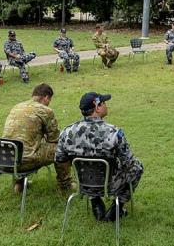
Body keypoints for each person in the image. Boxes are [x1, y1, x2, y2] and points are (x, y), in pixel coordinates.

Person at [55, 92, 143, 222]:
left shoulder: (67, 132)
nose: (106, 106)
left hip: (83, 184)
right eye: (104, 103)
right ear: (97, 107)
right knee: (137, 167)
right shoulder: (113, 133)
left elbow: (59, 159)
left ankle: (95, 201)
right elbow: (128, 162)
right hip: (110, 185)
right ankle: (116, 209)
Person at [3, 83, 72, 193]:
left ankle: (19, 184)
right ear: (46, 97)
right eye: (49, 100)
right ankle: (65, 184)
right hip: (26, 161)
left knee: (23, 145)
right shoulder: (45, 111)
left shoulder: (17, 107)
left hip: (5, 159)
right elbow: (54, 139)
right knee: (61, 148)